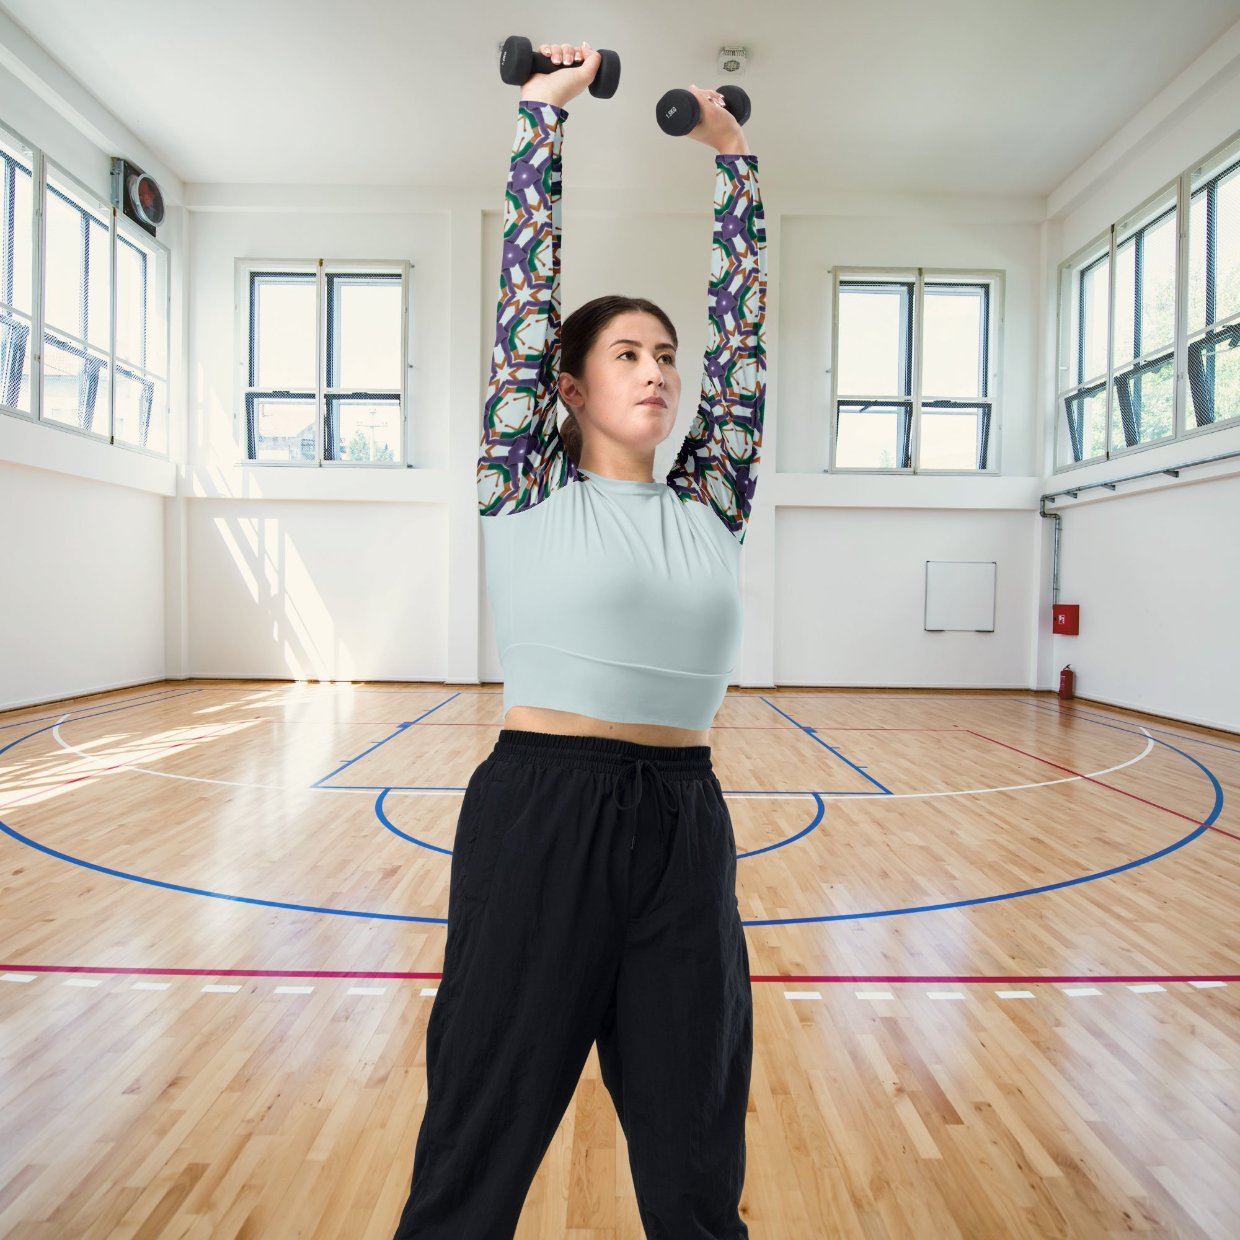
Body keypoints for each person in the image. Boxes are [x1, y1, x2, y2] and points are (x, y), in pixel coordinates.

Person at [392, 38, 765, 1240]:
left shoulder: (707, 502)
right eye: (626, 353)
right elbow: (523, 289)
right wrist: (541, 119)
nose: (658, 370)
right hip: (540, 815)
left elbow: (744, 349)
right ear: (564, 386)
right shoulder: (523, 482)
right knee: (478, 1140)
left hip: (682, 823)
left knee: (697, 1156)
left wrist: (734, 165)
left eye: (666, 355)